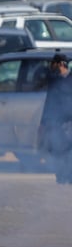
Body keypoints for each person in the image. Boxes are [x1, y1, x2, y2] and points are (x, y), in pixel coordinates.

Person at [40, 52, 72, 184]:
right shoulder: (54, 80)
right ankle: (62, 175)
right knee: (57, 149)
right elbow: (49, 101)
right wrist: (44, 122)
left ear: (60, 64)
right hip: (56, 122)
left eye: (53, 64)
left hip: (69, 122)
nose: (51, 67)